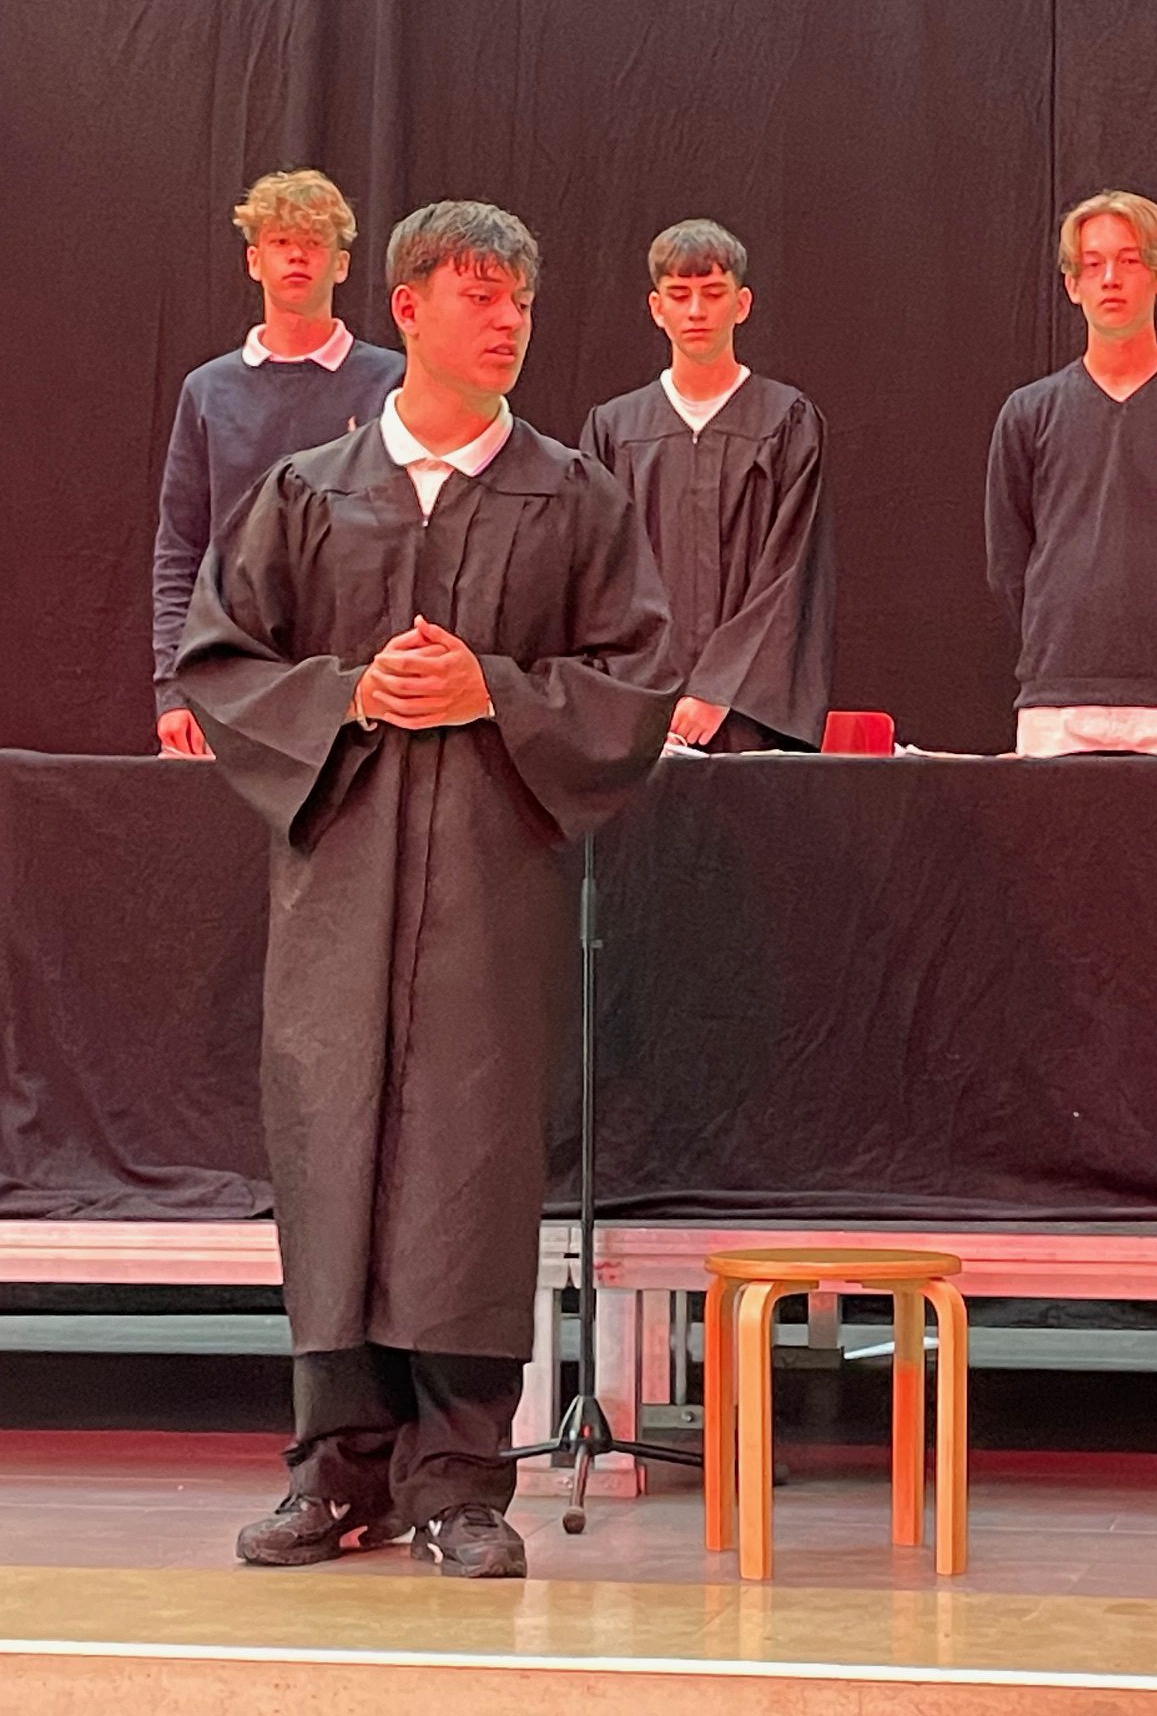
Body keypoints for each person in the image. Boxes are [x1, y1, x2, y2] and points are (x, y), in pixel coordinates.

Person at [175, 201, 679, 1578]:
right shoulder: (309, 491)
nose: (509, 320)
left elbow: (638, 682)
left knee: (466, 1158)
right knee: (333, 1148)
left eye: (521, 298)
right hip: (339, 886)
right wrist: (350, 694)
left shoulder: (571, 497)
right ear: (406, 308)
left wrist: (492, 691)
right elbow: (220, 662)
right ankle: (337, 1474)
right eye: (479, 295)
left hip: (485, 894)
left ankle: (459, 1483)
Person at [986, 190, 1157, 757]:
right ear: (1072, 285)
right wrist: (1061, 641)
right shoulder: (1028, 414)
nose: (1110, 279)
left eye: (1130, 260)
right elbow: (1009, 564)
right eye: (1092, 264)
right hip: (1057, 701)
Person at [153, 169, 402, 757]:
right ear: (254, 260)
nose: (297, 256)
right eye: (281, 241)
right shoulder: (208, 390)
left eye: (314, 242)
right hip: (229, 669)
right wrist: (173, 688)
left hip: (358, 674)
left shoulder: (394, 382)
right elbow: (180, 546)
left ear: (341, 265)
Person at [581, 218, 834, 752]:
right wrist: (646, 694)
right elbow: (600, 577)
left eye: (713, 294)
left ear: (742, 304)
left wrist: (719, 689)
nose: (696, 311)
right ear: (657, 308)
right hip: (641, 710)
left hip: (748, 716)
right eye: (680, 295)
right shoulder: (616, 429)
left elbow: (791, 571)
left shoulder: (786, 420)